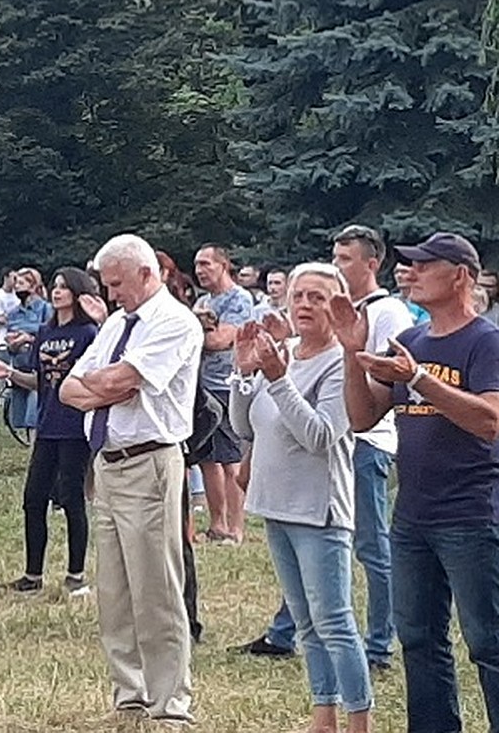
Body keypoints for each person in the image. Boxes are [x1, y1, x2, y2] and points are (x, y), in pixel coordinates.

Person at [335, 231, 499, 733]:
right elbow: (363, 418)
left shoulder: (485, 342)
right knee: (419, 639)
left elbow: (490, 421)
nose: (411, 273)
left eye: (425, 265)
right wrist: (350, 352)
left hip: (472, 515)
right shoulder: (410, 341)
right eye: (409, 265)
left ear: (461, 276)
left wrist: (419, 378)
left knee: (488, 641)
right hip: (412, 517)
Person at [60, 233, 201, 723]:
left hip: (150, 462)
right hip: (108, 464)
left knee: (156, 587)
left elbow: (123, 381)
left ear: (147, 273)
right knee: (115, 590)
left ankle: (170, 703)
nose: (111, 293)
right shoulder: (117, 323)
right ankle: (131, 694)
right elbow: (68, 389)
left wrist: (106, 384)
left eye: (117, 283)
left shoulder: (174, 322)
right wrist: (107, 387)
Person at [230, 265, 373, 733]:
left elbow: (320, 435)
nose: (305, 305)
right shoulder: (285, 353)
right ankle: (323, 717)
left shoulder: (339, 363)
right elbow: (243, 426)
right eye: (299, 296)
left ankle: (359, 721)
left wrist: (277, 378)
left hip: (319, 509)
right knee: (307, 625)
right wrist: (242, 370)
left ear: (339, 307)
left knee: (334, 622)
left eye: (318, 297)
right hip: (276, 504)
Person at [0, 266, 98, 596]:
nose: (58, 291)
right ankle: (32, 575)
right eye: (55, 286)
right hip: (47, 425)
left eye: (65, 287)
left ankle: (76, 575)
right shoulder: (46, 332)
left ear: (78, 292)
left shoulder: (88, 333)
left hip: (75, 426)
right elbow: (38, 380)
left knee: (72, 499)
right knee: (33, 499)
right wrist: (8, 372)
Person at [192, 244, 254, 544]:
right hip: (201, 385)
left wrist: (194, 331)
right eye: (197, 265)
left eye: (206, 263)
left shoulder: (239, 299)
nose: (200, 270)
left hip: (226, 383)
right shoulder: (203, 300)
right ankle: (217, 525)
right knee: (206, 458)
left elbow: (221, 340)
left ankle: (236, 527)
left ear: (224, 264)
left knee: (230, 460)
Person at [1, 268, 52, 433]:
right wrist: (13, 343)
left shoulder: (46, 309)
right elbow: (9, 342)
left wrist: (29, 338)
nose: (17, 287)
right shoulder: (13, 313)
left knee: (34, 417)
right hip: (19, 364)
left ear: (33, 286)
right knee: (19, 419)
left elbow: (51, 337)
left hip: (38, 368)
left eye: (21, 283)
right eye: (15, 283)